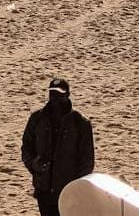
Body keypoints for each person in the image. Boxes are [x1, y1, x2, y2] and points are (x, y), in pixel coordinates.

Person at [21, 77, 95, 216]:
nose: (55, 98)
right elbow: (27, 148)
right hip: (44, 190)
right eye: (52, 93)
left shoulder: (80, 123)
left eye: (59, 94)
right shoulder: (37, 119)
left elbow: (87, 161)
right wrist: (33, 164)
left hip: (68, 192)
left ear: (67, 95)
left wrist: (75, 188)